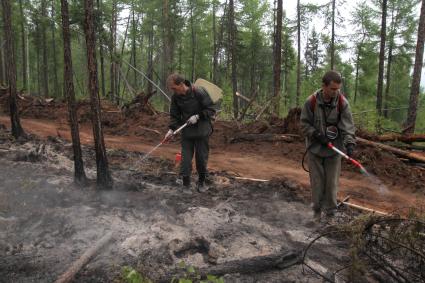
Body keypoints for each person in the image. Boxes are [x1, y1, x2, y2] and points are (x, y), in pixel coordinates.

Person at [300, 70, 356, 221]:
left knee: (331, 185)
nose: (336, 92)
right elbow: (304, 124)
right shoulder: (311, 102)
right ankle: (316, 214)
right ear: (323, 86)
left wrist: (349, 144)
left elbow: (347, 127)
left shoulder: (342, 103)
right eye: (333, 89)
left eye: (338, 88)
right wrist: (317, 135)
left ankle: (330, 216)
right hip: (315, 150)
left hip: (334, 151)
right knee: (317, 184)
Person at [164, 73, 216, 193]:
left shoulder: (198, 92)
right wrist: (171, 129)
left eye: (174, 88)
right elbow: (174, 115)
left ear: (181, 84)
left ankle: (201, 182)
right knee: (186, 159)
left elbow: (211, 109)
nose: (173, 91)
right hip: (187, 131)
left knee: (201, 158)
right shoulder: (175, 97)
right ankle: (186, 184)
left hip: (202, 130)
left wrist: (198, 116)